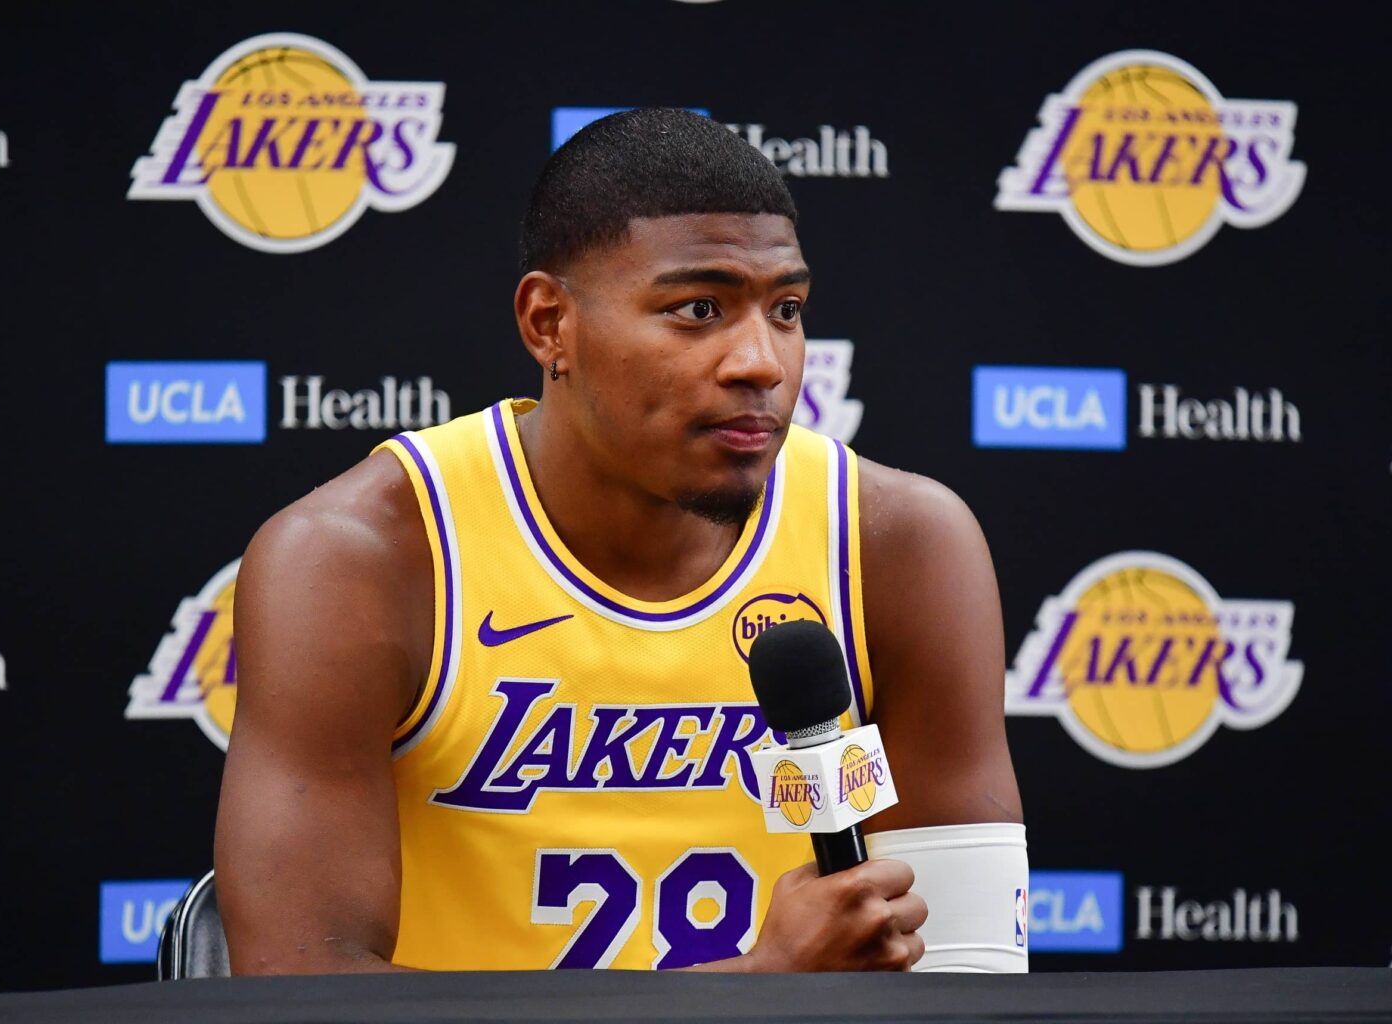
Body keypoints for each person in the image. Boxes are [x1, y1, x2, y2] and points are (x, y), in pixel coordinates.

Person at [214, 108, 1025, 975]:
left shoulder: (898, 546)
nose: (762, 361)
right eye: (699, 309)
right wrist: (756, 991)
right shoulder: (362, 560)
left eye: (786, 309)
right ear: (548, 325)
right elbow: (304, 994)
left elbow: (969, 966)